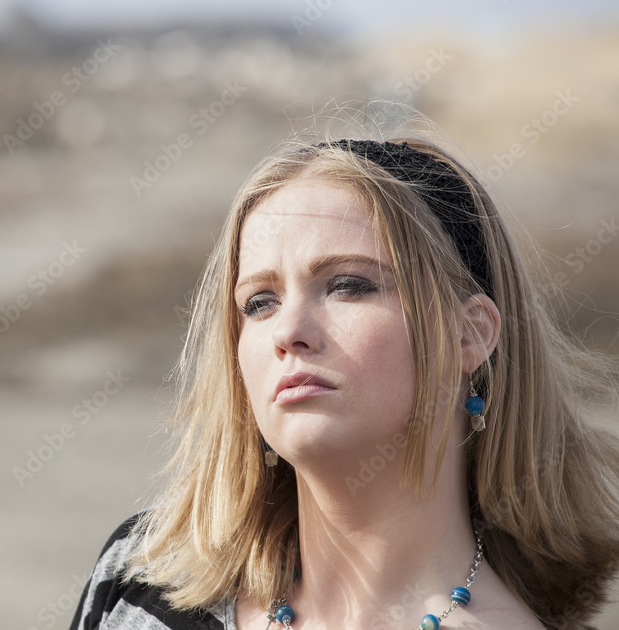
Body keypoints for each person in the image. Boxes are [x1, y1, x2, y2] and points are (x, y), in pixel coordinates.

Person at [68, 106, 619, 630]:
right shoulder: (140, 584)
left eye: (348, 285)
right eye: (259, 301)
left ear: (468, 334)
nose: (288, 332)